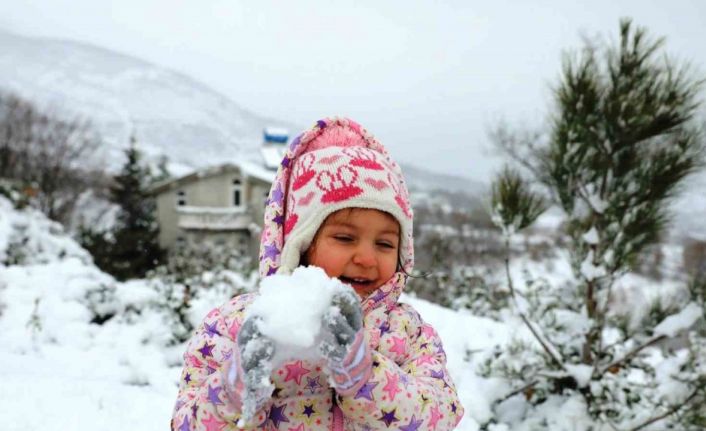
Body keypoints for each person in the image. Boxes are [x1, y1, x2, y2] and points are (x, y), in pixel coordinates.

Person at [172, 117, 464, 430]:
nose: (367, 257)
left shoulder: (407, 333)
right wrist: (238, 385)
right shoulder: (234, 325)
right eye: (345, 238)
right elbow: (187, 425)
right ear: (300, 242)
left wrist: (364, 377)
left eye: (384, 243)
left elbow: (440, 417)